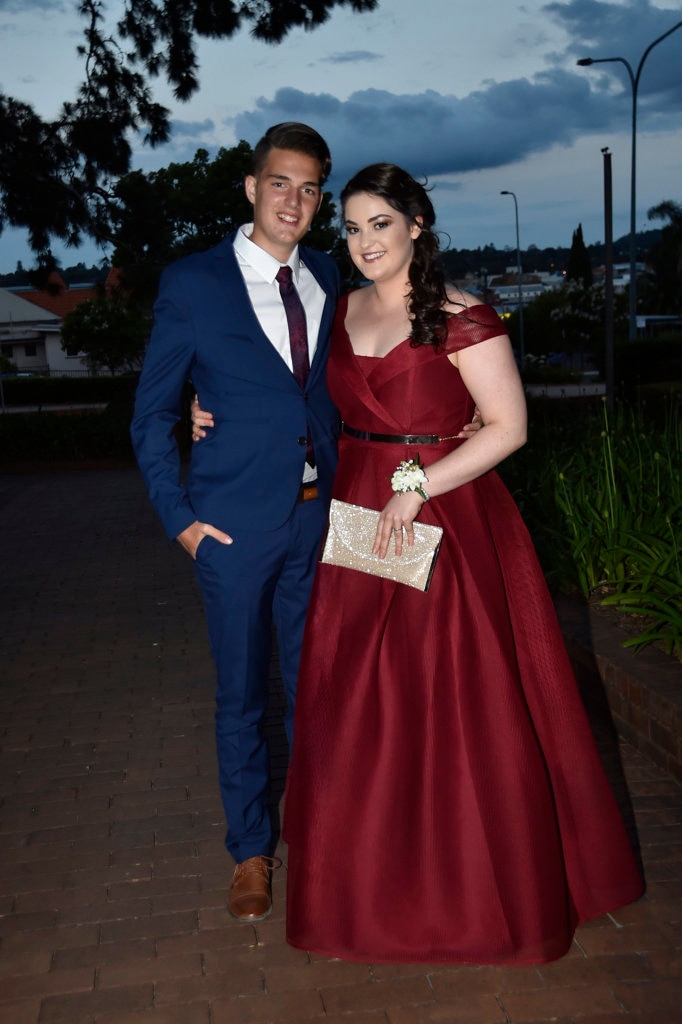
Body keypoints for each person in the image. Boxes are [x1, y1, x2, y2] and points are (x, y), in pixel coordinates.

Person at [280, 163, 643, 964]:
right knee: (359, 704)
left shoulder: (461, 316)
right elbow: (306, 405)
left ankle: (473, 894)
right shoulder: (340, 312)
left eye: (381, 223)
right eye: (352, 226)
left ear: (417, 226)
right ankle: (371, 888)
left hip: (438, 513)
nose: (365, 240)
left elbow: (507, 427)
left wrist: (416, 484)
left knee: (449, 697)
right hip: (358, 515)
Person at [130, 122, 342, 923]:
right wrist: (181, 520)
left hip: (320, 521)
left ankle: (322, 836)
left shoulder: (329, 273)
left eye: (310, 187)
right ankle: (251, 852)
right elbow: (151, 414)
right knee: (244, 696)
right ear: (252, 188)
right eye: (280, 183)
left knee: (320, 687)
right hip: (231, 530)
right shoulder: (194, 282)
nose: (294, 200)